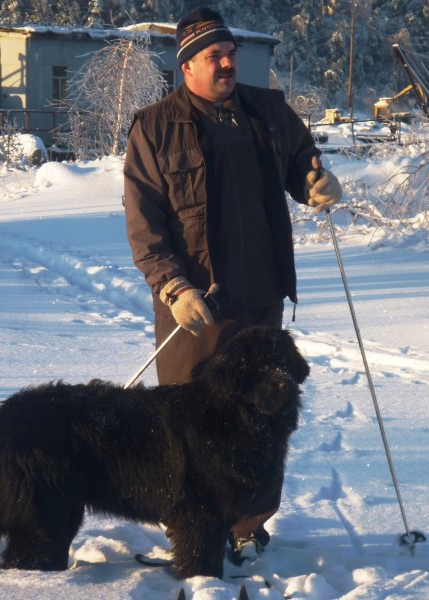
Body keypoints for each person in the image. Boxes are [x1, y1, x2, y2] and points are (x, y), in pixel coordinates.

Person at [123, 6, 342, 561]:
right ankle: (193, 530)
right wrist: (173, 287)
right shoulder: (154, 127)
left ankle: (246, 527)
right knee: (186, 423)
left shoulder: (267, 109)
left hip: (261, 299)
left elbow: (301, 162)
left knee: (264, 420)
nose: (226, 64)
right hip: (195, 306)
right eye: (213, 57)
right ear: (186, 66)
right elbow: (144, 226)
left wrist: (316, 180)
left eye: (229, 54)